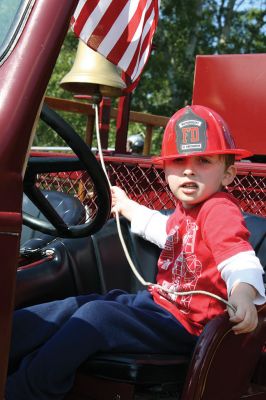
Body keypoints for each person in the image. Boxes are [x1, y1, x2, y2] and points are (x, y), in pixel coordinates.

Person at [6, 105, 265, 400]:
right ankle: (8, 343)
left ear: (228, 174)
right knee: (78, 304)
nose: (189, 169)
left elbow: (237, 254)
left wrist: (243, 291)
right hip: (158, 305)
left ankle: (24, 389)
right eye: (179, 161)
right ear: (166, 170)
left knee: (96, 315)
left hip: (187, 326)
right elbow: (163, 229)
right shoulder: (186, 211)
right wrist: (128, 206)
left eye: (204, 160)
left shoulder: (219, 209)